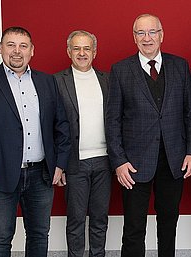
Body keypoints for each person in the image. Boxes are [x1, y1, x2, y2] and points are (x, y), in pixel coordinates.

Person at [0, 26, 70, 257]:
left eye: (23, 46)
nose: (17, 51)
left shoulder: (47, 82)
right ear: (0, 49)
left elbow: (62, 125)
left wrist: (59, 164)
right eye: (11, 45)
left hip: (41, 175)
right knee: (0, 238)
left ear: (32, 51)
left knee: (39, 235)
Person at [105, 14, 191, 257]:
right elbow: (112, 120)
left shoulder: (179, 66)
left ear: (161, 35)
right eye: (141, 33)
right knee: (134, 227)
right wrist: (118, 162)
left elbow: (190, 114)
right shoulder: (120, 70)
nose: (147, 38)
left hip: (174, 159)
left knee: (169, 223)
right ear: (134, 37)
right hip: (134, 164)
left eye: (152, 32)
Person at [54, 30, 111, 257]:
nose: (82, 53)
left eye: (87, 48)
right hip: (75, 162)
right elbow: (51, 125)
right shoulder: (56, 81)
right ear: (68, 52)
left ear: (94, 52)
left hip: (104, 161)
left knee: (100, 218)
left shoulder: (108, 79)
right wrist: (60, 164)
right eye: (76, 48)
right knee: (76, 219)